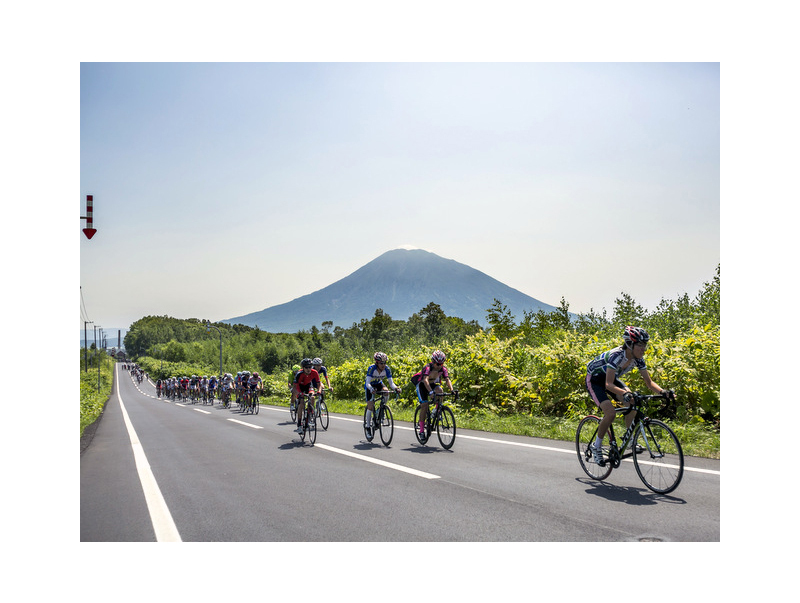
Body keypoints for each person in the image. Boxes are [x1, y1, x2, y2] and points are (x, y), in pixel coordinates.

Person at [585, 326, 675, 464]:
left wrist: (663, 392)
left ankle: (628, 438)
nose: (643, 348)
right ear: (629, 344)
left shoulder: (638, 359)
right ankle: (596, 446)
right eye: (640, 344)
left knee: (632, 401)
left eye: (644, 345)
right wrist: (624, 393)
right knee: (610, 413)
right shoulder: (617, 356)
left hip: (610, 379)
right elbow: (608, 385)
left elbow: (649, 383)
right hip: (596, 380)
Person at [412, 350, 454, 437]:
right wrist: (430, 392)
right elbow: (425, 380)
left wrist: (452, 390)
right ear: (433, 362)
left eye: (441, 364)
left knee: (440, 391)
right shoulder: (428, 367)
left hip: (431, 384)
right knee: (425, 405)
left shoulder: (443, 369)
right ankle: (422, 431)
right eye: (437, 364)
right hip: (422, 385)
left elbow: (447, 379)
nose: (439, 366)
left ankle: (436, 410)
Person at [364, 352, 401, 437]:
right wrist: (371, 389)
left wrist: (396, 388)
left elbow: (391, 383)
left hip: (378, 384)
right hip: (370, 386)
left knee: (386, 391)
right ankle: (368, 427)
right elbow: (367, 383)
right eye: (381, 363)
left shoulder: (387, 369)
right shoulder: (372, 368)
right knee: (370, 406)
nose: (383, 365)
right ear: (377, 363)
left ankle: (381, 410)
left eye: (384, 363)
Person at [293, 359, 320, 433]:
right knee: (301, 403)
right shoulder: (299, 374)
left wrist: (319, 391)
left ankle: (310, 413)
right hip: (300, 387)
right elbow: (295, 387)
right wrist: (299, 393)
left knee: (313, 397)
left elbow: (319, 384)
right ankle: (299, 424)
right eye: (306, 367)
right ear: (303, 368)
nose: (308, 369)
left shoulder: (314, 372)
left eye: (310, 367)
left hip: (308, 386)